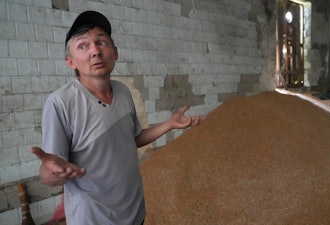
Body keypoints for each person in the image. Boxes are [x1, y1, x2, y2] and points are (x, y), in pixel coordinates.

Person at [31, 10, 205, 225]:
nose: (95, 51)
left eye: (101, 42)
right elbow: (50, 174)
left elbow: (133, 139)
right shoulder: (60, 103)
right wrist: (52, 173)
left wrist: (169, 124)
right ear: (71, 62)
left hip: (134, 211)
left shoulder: (122, 91)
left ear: (115, 52)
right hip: (94, 219)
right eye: (83, 45)